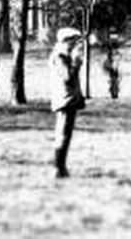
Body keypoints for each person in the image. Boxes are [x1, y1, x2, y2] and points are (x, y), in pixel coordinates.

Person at [49, 27, 86, 178]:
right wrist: (76, 63)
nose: (75, 45)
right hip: (64, 100)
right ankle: (58, 168)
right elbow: (68, 78)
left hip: (68, 99)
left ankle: (60, 167)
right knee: (63, 134)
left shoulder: (63, 56)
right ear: (65, 42)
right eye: (73, 42)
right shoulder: (60, 57)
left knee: (65, 134)